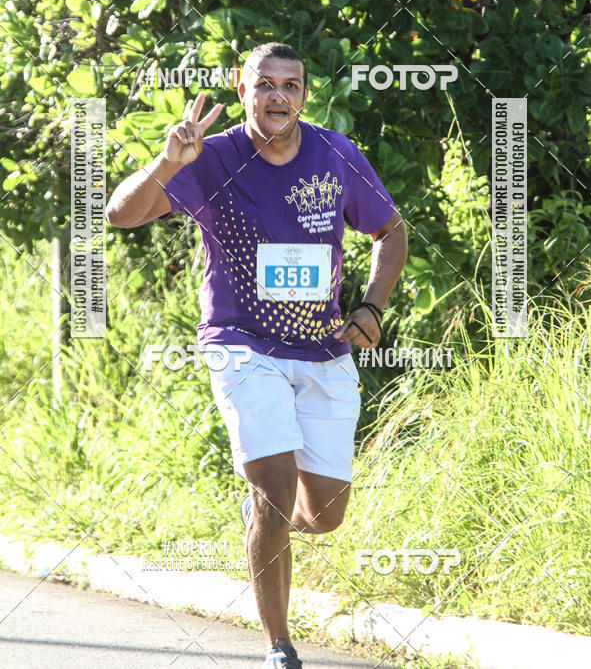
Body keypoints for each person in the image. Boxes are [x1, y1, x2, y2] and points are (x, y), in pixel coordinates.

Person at [106, 42, 407, 668]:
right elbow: (121, 214)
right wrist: (167, 161)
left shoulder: (334, 155)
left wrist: (372, 306)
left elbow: (391, 231)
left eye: (290, 86)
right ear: (243, 91)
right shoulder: (210, 158)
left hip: (323, 349)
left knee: (321, 516)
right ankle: (280, 647)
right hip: (241, 346)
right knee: (274, 493)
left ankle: (264, 510)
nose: (277, 97)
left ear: (304, 94)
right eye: (264, 84)